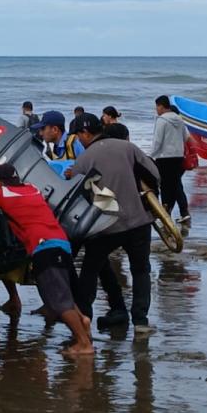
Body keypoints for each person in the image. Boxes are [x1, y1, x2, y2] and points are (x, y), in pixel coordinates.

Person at [0, 164, 93, 355]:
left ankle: (84, 344)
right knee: (63, 294)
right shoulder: (32, 189)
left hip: (44, 248)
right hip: (62, 243)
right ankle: (82, 321)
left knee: (58, 303)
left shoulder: (1, 195)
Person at [68, 113, 160, 331]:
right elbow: (154, 174)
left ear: (86, 133)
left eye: (79, 136)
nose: (79, 140)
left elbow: (76, 196)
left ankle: (84, 318)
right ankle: (140, 322)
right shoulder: (128, 148)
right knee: (140, 270)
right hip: (138, 221)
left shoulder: (84, 159)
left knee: (90, 269)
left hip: (104, 225)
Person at [151, 96, 190, 225]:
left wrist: (150, 156)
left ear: (162, 106)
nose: (156, 109)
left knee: (166, 187)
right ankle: (183, 212)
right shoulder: (179, 119)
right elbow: (185, 137)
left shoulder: (161, 120)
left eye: (157, 106)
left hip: (164, 158)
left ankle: (167, 213)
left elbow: (157, 141)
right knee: (176, 184)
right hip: (178, 157)